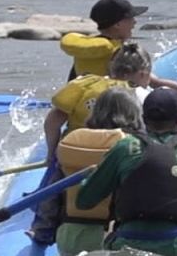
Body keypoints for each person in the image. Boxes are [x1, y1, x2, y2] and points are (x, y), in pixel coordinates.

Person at [74, 88, 177, 256]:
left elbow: (84, 201)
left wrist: (93, 176)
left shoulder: (124, 147)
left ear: (144, 119)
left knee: (111, 228)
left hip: (128, 244)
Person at [30, 44, 157, 246]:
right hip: (121, 153)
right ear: (143, 73)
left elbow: (52, 122)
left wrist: (52, 154)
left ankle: (42, 228)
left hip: (77, 150)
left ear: (111, 67)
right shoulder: (141, 94)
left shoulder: (84, 84)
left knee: (54, 182)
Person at [62, 0, 177, 99]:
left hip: (85, 110)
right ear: (118, 24)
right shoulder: (119, 52)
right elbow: (153, 82)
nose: (134, 22)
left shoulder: (87, 49)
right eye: (130, 18)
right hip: (113, 111)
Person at [54, 88, 146, 256]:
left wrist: (42, 232)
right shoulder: (134, 147)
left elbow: (54, 195)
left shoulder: (73, 140)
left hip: (70, 237)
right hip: (112, 236)